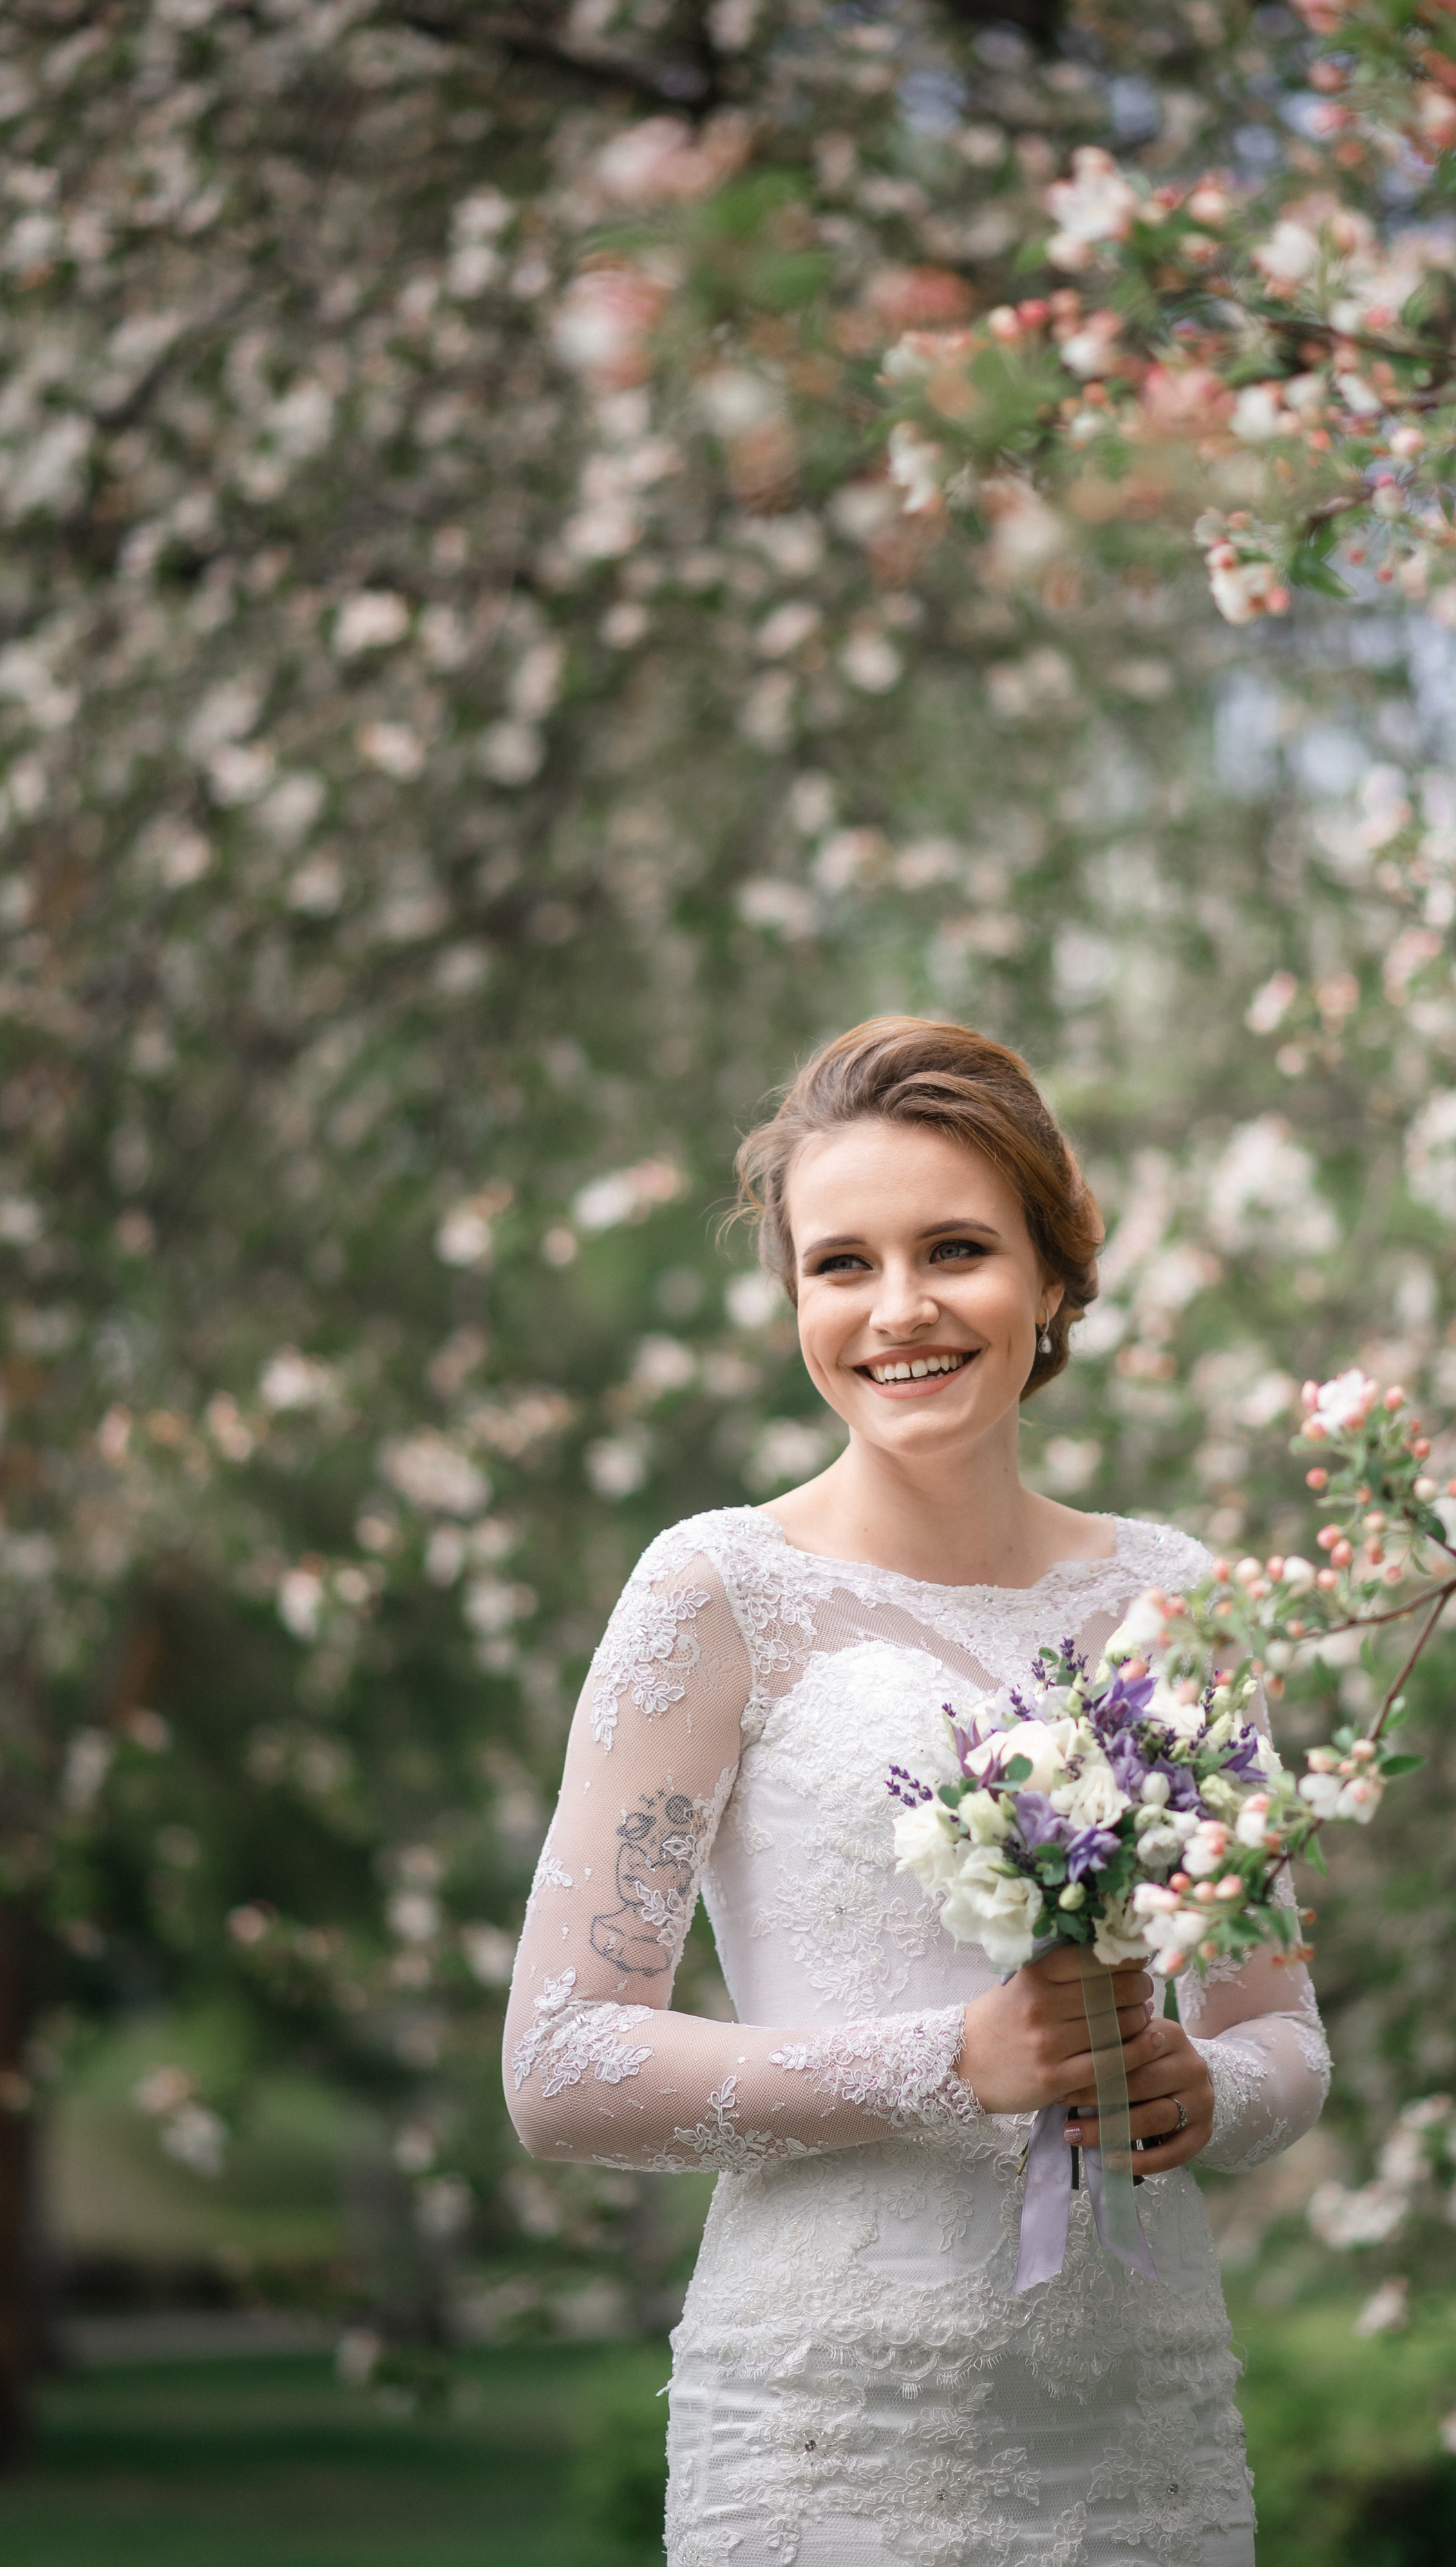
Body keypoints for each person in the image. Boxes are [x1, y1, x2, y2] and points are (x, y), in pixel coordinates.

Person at [504, 1017, 1329, 2566]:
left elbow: (1283, 2033)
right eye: (841, 1264)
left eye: (953, 1247)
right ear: (794, 1296)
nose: (899, 1310)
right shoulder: (715, 1593)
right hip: (825, 2438)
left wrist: (1205, 2092)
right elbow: (559, 2067)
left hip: (1140, 2435)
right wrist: (950, 2058)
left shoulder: (1181, 1601)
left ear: (1054, 1277)